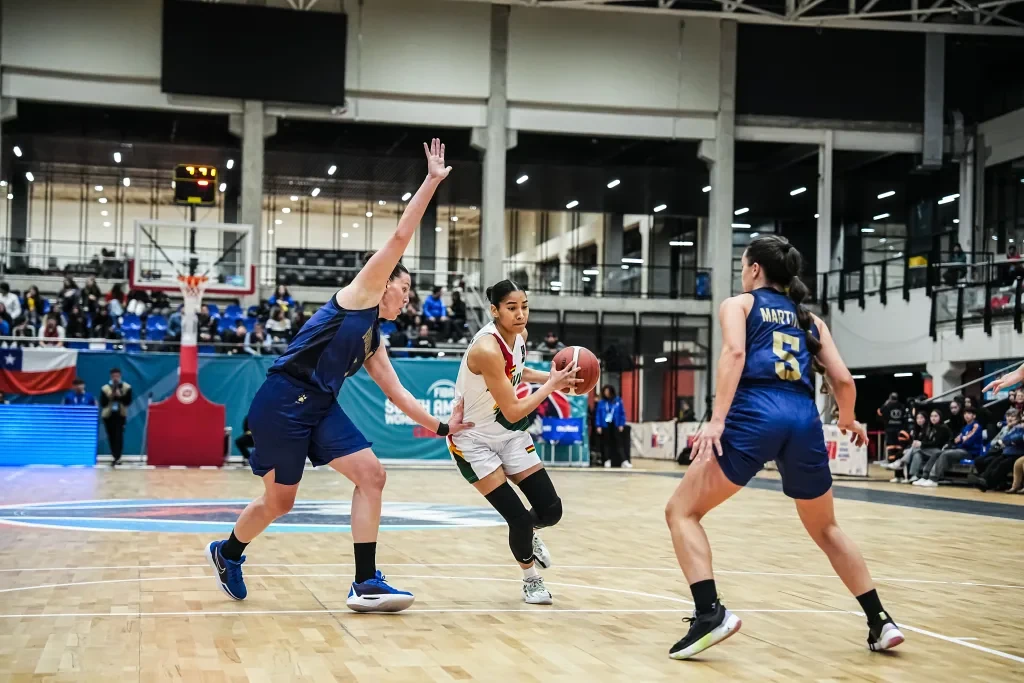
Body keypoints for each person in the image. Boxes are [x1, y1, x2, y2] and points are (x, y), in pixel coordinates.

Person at [205, 139, 470, 612]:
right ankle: (227, 552)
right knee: (280, 503)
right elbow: (398, 241)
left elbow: (398, 392)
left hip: (320, 408)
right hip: (282, 401)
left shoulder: (373, 340)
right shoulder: (361, 293)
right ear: (384, 282)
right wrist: (431, 182)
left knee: (372, 474)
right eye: (404, 287)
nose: (407, 297)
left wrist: (444, 428)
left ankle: (365, 581)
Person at [663, 235, 903, 661]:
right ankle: (880, 620)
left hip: (757, 413)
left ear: (755, 269)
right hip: (804, 419)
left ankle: (709, 613)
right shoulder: (811, 320)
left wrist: (717, 421)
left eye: (742, 264)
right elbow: (844, 380)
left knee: (681, 511)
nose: (741, 271)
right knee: (827, 528)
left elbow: (735, 352)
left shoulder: (739, 305)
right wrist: (847, 420)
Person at [448, 279, 579, 604]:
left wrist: (549, 378)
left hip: (507, 435)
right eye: (511, 307)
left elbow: (518, 372)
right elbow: (514, 406)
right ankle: (530, 580)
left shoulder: (518, 338)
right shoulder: (486, 350)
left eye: (524, 306)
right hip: (473, 440)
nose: (520, 314)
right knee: (518, 518)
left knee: (551, 510)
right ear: (494, 310)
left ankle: (527, 535)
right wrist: (552, 386)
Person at [914, 406, 983, 487]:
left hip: (969, 452)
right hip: (960, 450)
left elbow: (968, 442)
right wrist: (958, 442)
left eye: (969, 413)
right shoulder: (965, 427)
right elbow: (956, 440)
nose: (966, 415)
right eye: (965, 413)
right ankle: (925, 476)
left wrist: (961, 442)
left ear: (974, 416)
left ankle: (933, 479)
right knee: (938, 453)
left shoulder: (976, 426)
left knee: (945, 454)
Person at [905, 409, 952, 483]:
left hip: (940, 451)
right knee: (917, 453)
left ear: (940, 417)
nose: (933, 418)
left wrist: (921, 444)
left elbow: (936, 443)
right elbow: (928, 441)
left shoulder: (943, 427)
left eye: (936, 416)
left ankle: (901, 462)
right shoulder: (932, 427)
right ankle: (914, 475)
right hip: (931, 450)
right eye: (931, 416)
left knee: (916, 449)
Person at [100, 368, 132, 466]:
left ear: (120, 376)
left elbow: (128, 402)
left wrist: (120, 395)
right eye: (114, 376)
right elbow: (103, 403)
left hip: (120, 415)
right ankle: (114, 455)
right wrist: (111, 394)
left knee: (119, 436)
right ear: (111, 376)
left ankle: (117, 457)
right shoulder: (105, 388)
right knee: (111, 436)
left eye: (117, 376)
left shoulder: (127, 387)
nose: (115, 378)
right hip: (108, 415)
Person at [595, 385, 629, 469]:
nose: (606, 393)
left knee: (619, 443)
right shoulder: (601, 403)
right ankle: (607, 460)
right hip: (605, 424)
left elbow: (622, 413)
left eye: (608, 391)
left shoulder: (618, 401)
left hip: (615, 424)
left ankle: (624, 461)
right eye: (605, 391)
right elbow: (598, 415)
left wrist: (621, 424)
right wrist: (598, 425)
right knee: (606, 443)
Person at [876, 392, 905, 460]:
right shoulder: (902, 406)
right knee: (899, 446)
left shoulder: (887, 405)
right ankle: (898, 460)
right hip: (899, 430)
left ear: (890, 398)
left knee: (890, 446)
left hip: (889, 430)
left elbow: (879, 413)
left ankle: (890, 460)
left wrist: (885, 404)